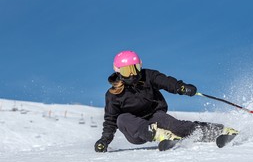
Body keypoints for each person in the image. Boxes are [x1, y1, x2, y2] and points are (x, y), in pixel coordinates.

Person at [94, 50, 237, 152]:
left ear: (140, 66)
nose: (132, 74)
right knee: (121, 118)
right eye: (126, 71)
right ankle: (158, 134)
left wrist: (180, 87)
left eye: (135, 68)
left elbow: (165, 81)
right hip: (136, 131)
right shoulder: (113, 94)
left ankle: (218, 131)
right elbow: (110, 120)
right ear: (118, 72)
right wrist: (104, 140)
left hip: (156, 117)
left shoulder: (148, 76)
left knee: (177, 126)